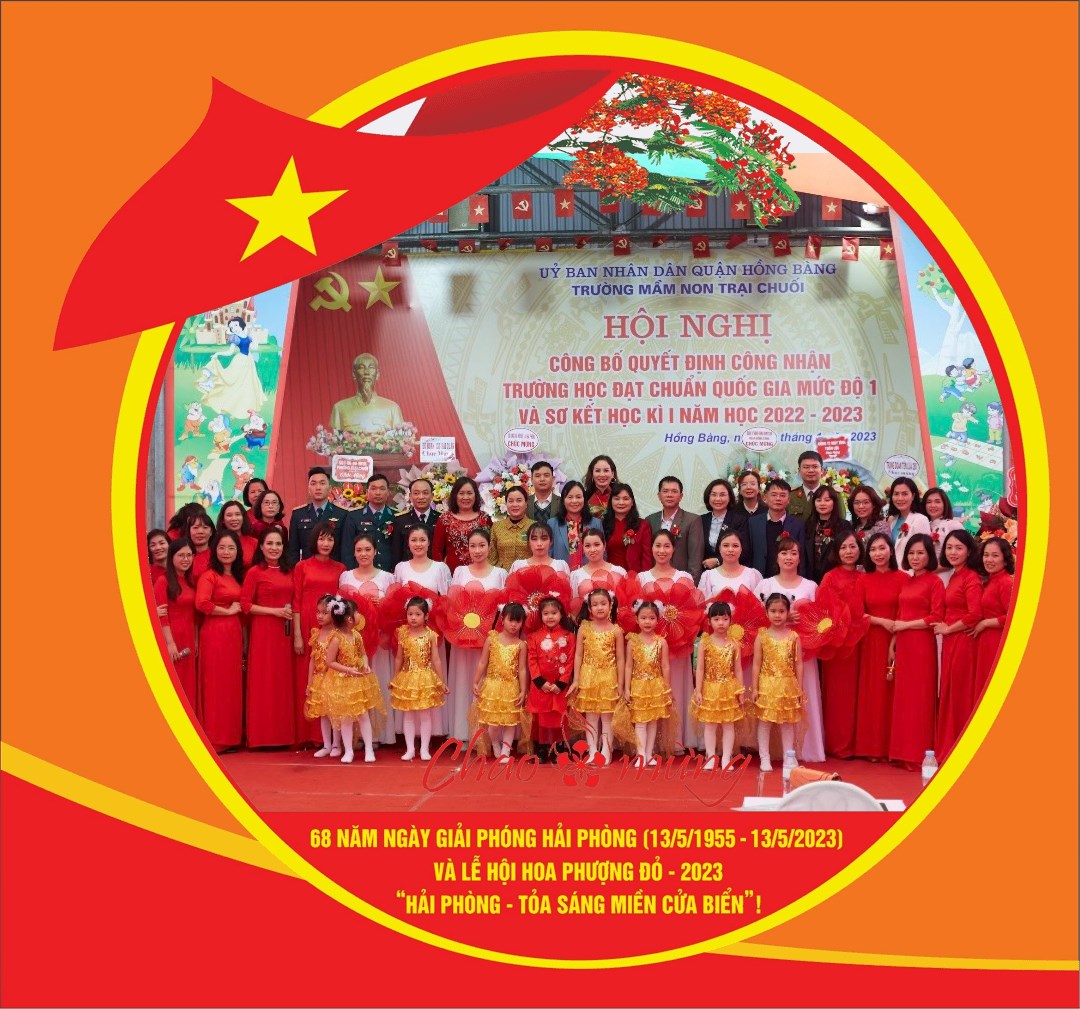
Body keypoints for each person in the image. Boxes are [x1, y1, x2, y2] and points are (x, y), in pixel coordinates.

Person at [757, 537, 824, 763]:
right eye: (784, 553)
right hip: (771, 657)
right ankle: (769, 752)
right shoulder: (765, 585)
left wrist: (802, 617)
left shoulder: (810, 586)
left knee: (803, 696)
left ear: (800, 557)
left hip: (802, 652)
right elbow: (754, 617)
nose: (789, 558)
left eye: (794, 553)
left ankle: (804, 749)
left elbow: (820, 620)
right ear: (776, 557)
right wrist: (783, 618)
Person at [889, 534, 945, 770]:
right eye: (911, 553)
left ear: (929, 555)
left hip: (922, 646)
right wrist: (893, 644)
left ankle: (919, 754)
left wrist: (905, 626)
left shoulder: (935, 582)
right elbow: (899, 615)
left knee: (920, 698)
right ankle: (902, 752)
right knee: (904, 698)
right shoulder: (908, 582)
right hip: (903, 643)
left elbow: (936, 616)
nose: (915, 557)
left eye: (920, 553)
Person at [447, 529, 508, 742]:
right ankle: (465, 734)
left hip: (490, 640)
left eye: (482, 545)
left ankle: (490, 736)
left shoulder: (500, 573)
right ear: (468, 548)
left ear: (489, 547)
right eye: (473, 546)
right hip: (463, 640)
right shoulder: (460, 572)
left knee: (488, 683)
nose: (477, 550)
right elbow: (453, 603)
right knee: (465, 683)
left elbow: (504, 608)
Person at [638, 531, 697, 751]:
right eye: (657, 546)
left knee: (676, 689)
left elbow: (692, 611)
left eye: (666, 546)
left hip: (678, 645)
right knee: (650, 692)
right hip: (649, 649)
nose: (661, 551)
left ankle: (676, 740)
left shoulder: (684, 577)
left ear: (673, 549)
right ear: (651, 548)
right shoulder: (642, 578)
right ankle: (649, 744)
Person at [338, 533, 396, 746]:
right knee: (355, 684)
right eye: (359, 550)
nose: (363, 554)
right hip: (352, 643)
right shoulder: (346, 576)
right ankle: (356, 735)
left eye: (368, 550)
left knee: (377, 681)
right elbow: (340, 609)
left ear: (375, 552)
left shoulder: (387, 578)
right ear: (354, 553)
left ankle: (379, 734)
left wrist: (383, 603)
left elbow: (395, 609)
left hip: (378, 639)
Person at [291, 523, 346, 746]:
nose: (326, 543)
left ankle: (328, 738)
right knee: (307, 676)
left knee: (329, 677)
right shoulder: (302, 566)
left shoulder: (340, 568)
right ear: (314, 541)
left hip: (330, 629)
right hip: (306, 625)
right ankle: (306, 733)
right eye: (322, 539)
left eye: (330, 539)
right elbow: (295, 601)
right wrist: (297, 634)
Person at [240, 527, 295, 748]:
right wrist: (274, 612)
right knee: (263, 680)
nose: (274, 548)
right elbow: (245, 605)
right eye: (269, 544)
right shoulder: (254, 572)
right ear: (261, 547)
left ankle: (283, 736)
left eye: (278, 544)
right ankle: (261, 736)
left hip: (285, 632)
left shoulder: (290, 571)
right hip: (263, 631)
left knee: (282, 681)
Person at [853, 532, 906, 761]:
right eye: (873, 549)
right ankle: (873, 748)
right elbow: (857, 613)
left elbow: (906, 610)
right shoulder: (863, 579)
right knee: (874, 692)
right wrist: (882, 621)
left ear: (891, 551)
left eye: (882, 548)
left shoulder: (903, 578)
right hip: (872, 640)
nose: (878, 553)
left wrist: (895, 637)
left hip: (899, 638)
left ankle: (894, 748)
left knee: (895, 693)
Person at [934, 529, 983, 760]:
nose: (953, 552)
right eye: (949, 547)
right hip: (952, 640)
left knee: (960, 693)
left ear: (969, 551)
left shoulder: (970, 577)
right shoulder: (955, 575)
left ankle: (961, 748)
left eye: (959, 548)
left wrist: (948, 628)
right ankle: (950, 745)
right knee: (950, 690)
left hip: (963, 641)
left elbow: (975, 614)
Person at [195, 531, 246, 752]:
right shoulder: (209, 576)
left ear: (237, 552)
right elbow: (202, 603)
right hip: (215, 635)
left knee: (231, 686)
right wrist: (228, 612)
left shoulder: (236, 576)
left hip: (233, 635)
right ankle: (214, 739)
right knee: (216, 686)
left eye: (231, 548)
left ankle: (231, 737)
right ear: (214, 550)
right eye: (222, 548)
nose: (226, 552)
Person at [817, 531, 865, 759]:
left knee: (861, 693)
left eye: (853, 547)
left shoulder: (865, 576)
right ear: (836, 552)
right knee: (839, 694)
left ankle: (860, 742)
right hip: (838, 644)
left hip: (863, 641)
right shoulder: (829, 577)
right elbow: (822, 611)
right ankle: (838, 743)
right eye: (843, 547)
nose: (848, 552)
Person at [324, 598, 385, 764]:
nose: (359, 615)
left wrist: (365, 664)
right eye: (357, 613)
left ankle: (369, 749)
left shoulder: (356, 635)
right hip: (343, 683)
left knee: (363, 715)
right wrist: (347, 670)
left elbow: (363, 653)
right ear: (350, 619)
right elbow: (330, 661)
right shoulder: (336, 638)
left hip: (358, 682)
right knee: (346, 718)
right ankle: (349, 751)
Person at [568, 588, 624, 763]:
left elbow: (621, 659)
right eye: (595, 604)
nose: (599, 607)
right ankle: (592, 751)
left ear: (610, 605)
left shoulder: (616, 630)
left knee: (607, 716)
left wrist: (621, 683)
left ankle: (606, 751)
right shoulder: (584, 628)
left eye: (603, 603)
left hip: (609, 678)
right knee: (591, 717)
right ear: (589, 607)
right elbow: (578, 655)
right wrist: (576, 679)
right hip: (588, 677)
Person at [390, 598, 447, 761]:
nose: (413, 617)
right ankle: (410, 749)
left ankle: (424, 749)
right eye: (410, 614)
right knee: (408, 715)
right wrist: (395, 678)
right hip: (407, 677)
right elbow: (399, 658)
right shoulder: (403, 633)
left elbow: (436, 659)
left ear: (426, 616)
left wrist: (441, 681)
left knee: (424, 715)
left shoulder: (430, 635)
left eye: (417, 614)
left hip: (425, 678)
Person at [752, 593, 803, 773]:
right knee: (765, 722)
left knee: (787, 723)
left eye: (781, 611)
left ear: (788, 612)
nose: (777, 615)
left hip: (788, 686)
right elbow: (756, 663)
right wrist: (755, 688)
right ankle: (764, 757)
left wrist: (800, 688)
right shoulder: (762, 636)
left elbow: (798, 664)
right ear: (766, 613)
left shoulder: (794, 637)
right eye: (773, 611)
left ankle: (789, 757)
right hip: (767, 685)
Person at [472, 603, 529, 763]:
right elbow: (483, 662)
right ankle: (495, 743)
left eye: (518, 621)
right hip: (492, 686)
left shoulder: (521, 645)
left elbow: (522, 669)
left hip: (511, 687)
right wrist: (475, 681)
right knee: (493, 722)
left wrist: (523, 689)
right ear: (502, 620)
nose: (514, 624)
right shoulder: (492, 639)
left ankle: (506, 750)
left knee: (511, 722)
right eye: (511, 620)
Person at [691, 601, 745, 771]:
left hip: (729, 689)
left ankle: (726, 757)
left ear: (730, 620)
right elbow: (700, 668)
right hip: (710, 688)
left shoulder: (734, 644)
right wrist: (698, 690)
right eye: (716, 619)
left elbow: (738, 669)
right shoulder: (704, 643)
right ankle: (711, 756)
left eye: (725, 619)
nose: (721, 623)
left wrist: (740, 691)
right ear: (709, 621)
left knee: (728, 725)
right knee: (710, 725)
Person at [622, 601, 674, 767]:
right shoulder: (633, 642)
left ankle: (649, 753)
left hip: (656, 686)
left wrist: (667, 688)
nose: (647, 621)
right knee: (640, 722)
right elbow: (628, 666)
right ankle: (641, 754)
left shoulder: (661, 642)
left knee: (653, 721)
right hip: (638, 686)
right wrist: (626, 688)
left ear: (657, 620)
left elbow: (665, 666)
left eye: (651, 618)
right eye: (643, 618)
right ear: (637, 620)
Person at [527, 597, 576, 763]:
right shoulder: (534, 637)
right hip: (541, 686)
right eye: (546, 613)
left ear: (561, 614)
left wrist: (561, 683)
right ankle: (541, 748)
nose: (550, 616)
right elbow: (532, 661)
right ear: (540, 615)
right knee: (540, 717)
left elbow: (570, 661)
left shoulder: (569, 636)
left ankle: (559, 748)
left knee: (558, 717)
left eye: (554, 613)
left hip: (559, 686)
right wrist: (540, 682)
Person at [154, 537, 197, 704]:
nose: (186, 559)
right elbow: (162, 616)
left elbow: (193, 614)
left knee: (188, 682)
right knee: (175, 682)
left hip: (189, 636)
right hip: (172, 636)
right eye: (181, 555)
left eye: (189, 555)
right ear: (171, 557)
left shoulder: (190, 581)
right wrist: (170, 642)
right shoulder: (163, 581)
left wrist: (195, 639)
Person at [197, 316, 267, 418]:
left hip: (249, 361)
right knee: (233, 383)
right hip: (240, 361)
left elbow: (254, 347)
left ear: (241, 325)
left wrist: (254, 338)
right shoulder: (235, 338)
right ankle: (225, 404)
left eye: (235, 325)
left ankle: (244, 407)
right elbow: (230, 352)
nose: (234, 328)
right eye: (232, 327)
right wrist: (218, 353)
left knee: (248, 384)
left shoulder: (247, 336)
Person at [972, 538, 1014, 697]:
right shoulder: (990, 580)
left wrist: (986, 623)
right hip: (985, 643)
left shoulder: (1005, 582)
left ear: (1005, 559)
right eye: (986, 555)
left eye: (995, 556)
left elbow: (1014, 616)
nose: (989, 560)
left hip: (997, 643)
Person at [645, 476, 705, 581]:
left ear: (681, 496)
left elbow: (695, 559)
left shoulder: (692, 520)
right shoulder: (650, 520)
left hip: (680, 582)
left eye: (674, 491)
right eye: (665, 491)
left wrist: (689, 585)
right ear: (659, 495)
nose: (669, 495)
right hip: (654, 581)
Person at [329, 352, 407, 433]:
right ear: (354, 374)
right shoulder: (339, 408)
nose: (367, 372)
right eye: (361, 368)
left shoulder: (392, 408)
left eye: (371, 368)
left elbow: (399, 439)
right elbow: (336, 439)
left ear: (377, 374)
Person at [302, 595, 339, 758]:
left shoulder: (337, 634)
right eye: (318, 612)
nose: (320, 616)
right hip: (319, 678)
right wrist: (310, 682)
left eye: (324, 613)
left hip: (334, 678)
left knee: (335, 712)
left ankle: (337, 744)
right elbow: (312, 659)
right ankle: (327, 745)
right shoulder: (316, 633)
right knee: (323, 712)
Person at [748, 480, 808, 577]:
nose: (778, 498)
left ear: (789, 499)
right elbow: (749, 554)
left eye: (783, 495)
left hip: (788, 578)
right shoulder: (753, 522)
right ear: (765, 497)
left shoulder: (798, 525)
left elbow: (802, 557)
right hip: (759, 577)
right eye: (774, 495)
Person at [337, 473, 396, 572]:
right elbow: (347, 549)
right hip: (361, 572)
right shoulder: (354, 516)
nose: (378, 492)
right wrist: (351, 574)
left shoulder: (396, 516)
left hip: (388, 572)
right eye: (373, 488)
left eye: (382, 489)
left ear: (388, 492)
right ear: (367, 492)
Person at [287, 467, 348, 564]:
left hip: (333, 569)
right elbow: (293, 550)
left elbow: (346, 549)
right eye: (313, 483)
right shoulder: (298, 514)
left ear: (330, 488)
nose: (318, 487)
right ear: (309, 489)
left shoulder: (342, 514)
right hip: (307, 569)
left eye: (322, 483)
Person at [432, 477, 491, 573]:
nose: (466, 497)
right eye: (461, 493)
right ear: (455, 495)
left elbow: (491, 547)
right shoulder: (445, 519)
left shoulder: (485, 518)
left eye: (469, 493)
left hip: (481, 572)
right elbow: (436, 550)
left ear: (476, 495)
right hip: (452, 574)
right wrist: (441, 573)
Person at [548, 480, 603, 570]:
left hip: (589, 574)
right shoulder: (552, 524)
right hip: (561, 574)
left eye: (578, 497)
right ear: (563, 500)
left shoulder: (596, 523)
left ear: (584, 499)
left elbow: (603, 553)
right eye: (570, 497)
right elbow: (548, 554)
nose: (574, 501)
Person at [698, 478, 749, 574]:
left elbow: (744, 551)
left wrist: (718, 561)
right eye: (714, 495)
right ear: (708, 497)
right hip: (705, 573)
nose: (718, 499)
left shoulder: (739, 521)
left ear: (730, 497)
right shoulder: (701, 520)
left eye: (722, 495)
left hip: (731, 572)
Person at [804, 485, 853, 582]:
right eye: (818, 500)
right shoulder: (808, 525)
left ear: (834, 502)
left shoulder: (843, 526)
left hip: (835, 578)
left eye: (827, 500)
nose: (822, 504)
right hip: (811, 578)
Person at [601, 483, 652, 574]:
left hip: (634, 576)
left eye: (625, 499)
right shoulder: (602, 524)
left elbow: (647, 557)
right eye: (617, 499)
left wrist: (644, 577)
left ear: (632, 502)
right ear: (611, 501)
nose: (621, 502)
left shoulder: (643, 525)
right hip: (609, 575)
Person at [697, 528, 763, 598]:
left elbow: (760, 602)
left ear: (741, 549)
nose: (730, 550)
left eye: (735, 546)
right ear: (719, 548)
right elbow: (701, 603)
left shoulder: (753, 575)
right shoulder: (708, 576)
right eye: (726, 545)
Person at [390, 478, 439, 566]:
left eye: (425, 493)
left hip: (434, 569)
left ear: (432, 496)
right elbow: (396, 551)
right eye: (416, 493)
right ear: (410, 496)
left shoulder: (441, 519)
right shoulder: (400, 520)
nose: (421, 497)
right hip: (408, 569)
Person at [788, 451, 847, 521]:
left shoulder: (834, 494)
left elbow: (841, 522)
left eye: (815, 467)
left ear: (822, 470)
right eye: (806, 467)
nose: (810, 470)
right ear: (799, 471)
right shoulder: (791, 495)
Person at [886, 478, 931, 568]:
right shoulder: (892, 520)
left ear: (913, 496)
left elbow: (925, 553)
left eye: (905, 494)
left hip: (910, 572)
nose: (900, 498)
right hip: (893, 572)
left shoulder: (920, 520)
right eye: (896, 494)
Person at [487, 487, 535, 570]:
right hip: (502, 574)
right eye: (510, 501)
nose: (515, 504)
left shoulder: (534, 527)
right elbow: (491, 557)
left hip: (528, 573)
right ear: (506, 504)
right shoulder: (497, 527)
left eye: (519, 500)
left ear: (526, 503)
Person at [394, 525, 452, 594]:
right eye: (413, 540)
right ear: (408, 543)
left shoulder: (440, 568)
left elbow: (446, 597)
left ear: (429, 542)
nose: (418, 544)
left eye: (422, 540)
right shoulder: (401, 568)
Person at [569, 529, 626, 598]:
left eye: (597, 545)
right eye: (587, 546)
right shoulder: (576, 575)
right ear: (583, 548)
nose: (592, 550)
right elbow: (575, 602)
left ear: (604, 545)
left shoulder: (619, 572)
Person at [923, 487, 964, 561]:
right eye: (929, 502)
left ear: (945, 504)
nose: (933, 505)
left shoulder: (953, 525)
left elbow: (965, 551)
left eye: (937, 502)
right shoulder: (924, 525)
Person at [217, 500, 258, 566]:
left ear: (243, 517)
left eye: (238, 514)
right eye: (229, 515)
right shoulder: (216, 543)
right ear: (223, 520)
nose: (234, 518)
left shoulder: (254, 543)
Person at [185, 512, 215, 581]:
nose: (200, 531)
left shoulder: (217, 555)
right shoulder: (182, 556)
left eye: (205, 527)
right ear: (189, 532)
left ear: (211, 532)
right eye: (195, 527)